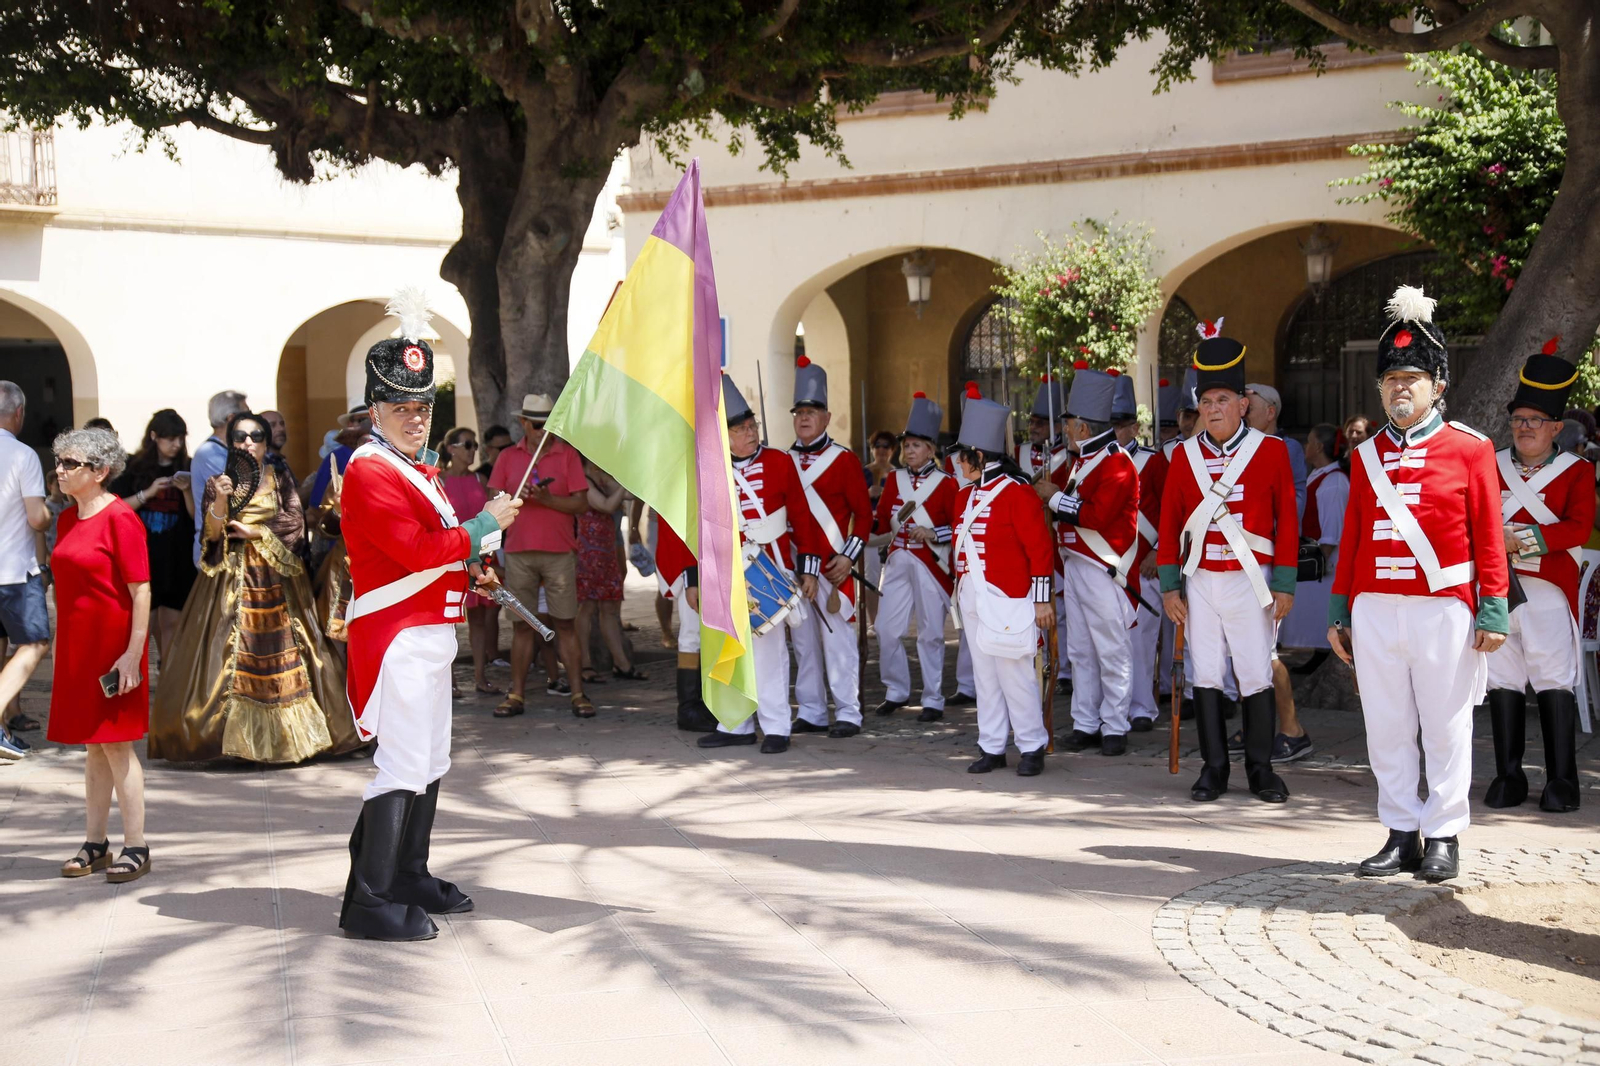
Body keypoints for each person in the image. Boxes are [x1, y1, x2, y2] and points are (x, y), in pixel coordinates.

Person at [338, 292, 521, 941]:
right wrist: (482, 526)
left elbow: (437, 548)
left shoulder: (415, 468)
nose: (415, 419)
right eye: (401, 408)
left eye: (421, 408)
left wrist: (473, 560)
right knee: (403, 763)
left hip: (428, 630)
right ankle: (368, 900)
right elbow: (415, 550)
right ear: (375, 411)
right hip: (397, 633)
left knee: (431, 758)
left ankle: (407, 874)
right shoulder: (371, 470)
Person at [1327, 285, 1508, 882]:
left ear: (1438, 386)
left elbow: (1488, 535)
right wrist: (1339, 610)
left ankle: (1444, 835)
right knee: (1386, 726)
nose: (1399, 388)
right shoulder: (1367, 456)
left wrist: (1494, 608)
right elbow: (1353, 536)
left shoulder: (1471, 449)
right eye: (1390, 380)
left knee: (1446, 726)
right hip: (1375, 609)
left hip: (1442, 607)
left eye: (1411, 378)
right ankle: (1401, 831)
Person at [149, 411, 358, 764]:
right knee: (226, 654)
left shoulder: (280, 478)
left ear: (265, 442)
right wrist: (220, 501)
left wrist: (255, 532)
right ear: (231, 442)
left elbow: (294, 523)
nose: (248, 443)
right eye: (240, 437)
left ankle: (294, 738)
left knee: (292, 653)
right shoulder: (218, 481)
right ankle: (227, 741)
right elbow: (210, 536)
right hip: (231, 578)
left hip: (278, 578)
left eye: (256, 436)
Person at [1158, 321, 1298, 805]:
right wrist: (1170, 585)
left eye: (1223, 400)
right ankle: (1213, 768)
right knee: (1206, 674)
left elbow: (1288, 522)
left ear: (1243, 405)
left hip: (1250, 580)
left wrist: (1285, 583)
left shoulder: (1271, 452)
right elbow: (1170, 524)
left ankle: (1261, 769)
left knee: (1256, 672)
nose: (1214, 409)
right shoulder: (1183, 457)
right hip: (1200, 579)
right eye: (1207, 401)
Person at [1484, 339, 1593, 813]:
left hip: (1548, 592)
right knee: (1502, 678)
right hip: (1498, 589)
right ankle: (1508, 777)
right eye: (1518, 419)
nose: (1524, 428)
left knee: (1552, 680)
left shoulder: (1577, 472)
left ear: (1556, 427)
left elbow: (1578, 527)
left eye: (1534, 420)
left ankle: (1562, 782)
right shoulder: (1490, 463)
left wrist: (1518, 541)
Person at [47, 428, 153, 883]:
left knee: (117, 745)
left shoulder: (121, 519)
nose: (60, 470)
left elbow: (141, 590)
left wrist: (133, 653)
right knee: (93, 746)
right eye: (59, 461)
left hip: (114, 648)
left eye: (70, 463)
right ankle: (96, 843)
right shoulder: (67, 519)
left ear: (100, 471)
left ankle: (137, 845)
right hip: (78, 646)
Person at [697, 375, 823, 753]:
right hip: (727, 572)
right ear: (725, 435)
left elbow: (802, 517)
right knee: (729, 649)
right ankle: (734, 724)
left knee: (770, 654)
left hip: (771, 567)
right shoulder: (712, 469)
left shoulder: (780, 462)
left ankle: (776, 726)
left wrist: (809, 569)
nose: (751, 433)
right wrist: (693, 578)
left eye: (753, 426)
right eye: (741, 429)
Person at [951, 384, 1055, 776]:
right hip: (971, 595)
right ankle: (992, 745)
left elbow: (1040, 551)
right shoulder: (964, 497)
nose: (958, 463)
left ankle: (1032, 746)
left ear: (978, 455)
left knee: (1016, 675)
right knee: (985, 676)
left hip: (1009, 597)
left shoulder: (1017, 493)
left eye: (962, 456)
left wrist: (1041, 601)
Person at [1039, 365, 1141, 755]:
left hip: (1103, 566)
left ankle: (1115, 725)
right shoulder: (1082, 460)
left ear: (1083, 427)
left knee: (1111, 649)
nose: (1065, 430)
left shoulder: (1116, 462)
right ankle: (1085, 722)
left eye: (1069, 424)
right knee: (1080, 649)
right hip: (1077, 565)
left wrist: (1051, 497)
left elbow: (1096, 516)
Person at [488, 394, 593, 718]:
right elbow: (493, 502)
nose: (543, 431)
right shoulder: (508, 457)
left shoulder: (567, 455)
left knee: (565, 624)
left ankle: (578, 694)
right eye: (536, 425)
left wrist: (547, 500)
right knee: (522, 626)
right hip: (518, 552)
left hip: (559, 552)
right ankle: (516, 694)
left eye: (548, 425)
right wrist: (512, 498)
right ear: (523, 424)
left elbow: (581, 504)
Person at [786, 356, 872, 738]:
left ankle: (849, 712)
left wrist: (847, 558)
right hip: (794, 563)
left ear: (827, 417)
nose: (804, 418)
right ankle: (811, 711)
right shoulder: (783, 461)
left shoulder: (845, 460)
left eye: (811, 412)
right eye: (799, 412)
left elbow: (864, 517)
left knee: (838, 641)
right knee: (802, 641)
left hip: (833, 565)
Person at [871, 393, 955, 722]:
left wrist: (933, 533)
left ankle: (933, 697)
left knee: (931, 633)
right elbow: (882, 521)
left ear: (930, 450)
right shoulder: (894, 479)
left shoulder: (946, 484)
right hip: (897, 559)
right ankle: (896, 690)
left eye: (916, 445)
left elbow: (958, 526)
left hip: (931, 564)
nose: (908, 451)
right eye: (906, 446)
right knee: (885, 628)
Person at [1274, 422, 1348, 761]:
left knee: (1316, 617)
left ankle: (1323, 652)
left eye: (1311, 441)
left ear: (1318, 446)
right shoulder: (1321, 476)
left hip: (1323, 566)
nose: (1306, 447)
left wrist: (1322, 559)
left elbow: (1332, 527)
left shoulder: (1334, 482)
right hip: (1314, 560)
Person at [110, 409, 196, 667]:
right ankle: (134, 675)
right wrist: (148, 493)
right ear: (154, 436)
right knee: (142, 622)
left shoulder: (188, 467)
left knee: (173, 622)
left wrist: (186, 491)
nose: (176, 444)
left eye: (180, 438)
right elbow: (116, 509)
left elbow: (195, 516)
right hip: (142, 557)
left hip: (178, 557)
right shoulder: (133, 468)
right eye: (170, 438)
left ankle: (167, 679)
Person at [0, 382, 53, 762]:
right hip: (14, 569)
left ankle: (3, 730)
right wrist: (50, 514)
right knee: (35, 643)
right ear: (19, 413)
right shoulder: (22, 454)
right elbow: (37, 518)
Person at [1114, 372, 1166, 732]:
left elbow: (1174, 511)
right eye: (1110, 424)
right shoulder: (1097, 462)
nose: (1115, 431)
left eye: (1120, 425)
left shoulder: (1155, 461)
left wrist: (1159, 551)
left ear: (1134, 427)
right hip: (1110, 564)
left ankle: (1142, 707)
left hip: (1145, 565)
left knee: (1143, 640)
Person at [440, 426, 500, 696]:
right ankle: (449, 681)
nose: (473, 450)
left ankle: (479, 677)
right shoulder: (439, 481)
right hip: (450, 555)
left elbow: (490, 520)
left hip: (479, 556)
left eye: (475, 445)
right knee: (448, 620)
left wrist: (490, 555)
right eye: (468, 445)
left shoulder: (479, 479)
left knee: (478, 618)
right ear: (451, 449)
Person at [576, 458, 645, 684]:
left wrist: (624, 479)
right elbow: (606, 505)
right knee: (587, 607)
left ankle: (621, 663)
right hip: (588, 553)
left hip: (606, 551)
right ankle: (584, 663)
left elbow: (632, 494)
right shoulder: (583, 480)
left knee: (609, 608)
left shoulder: (602, 478)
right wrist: (622, 487)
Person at [189, 390, 248, 566]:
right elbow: (240, 495)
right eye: (247, 415)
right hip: (215, 553)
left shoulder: (228, 450)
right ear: (232, 418)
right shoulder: (209, 454)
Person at [1245, 384, 1307, 519]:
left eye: (1248, 409)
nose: (1242, 414)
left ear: (1270, 413)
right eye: (1240, 408)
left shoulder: (1288, 448)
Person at [864, 429, 899, 624]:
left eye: (886, 446)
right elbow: (851, 501)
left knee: (893, 580)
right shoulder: (863, 473)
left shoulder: (899, 475)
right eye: (877, 446)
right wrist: (867, 494)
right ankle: (874, 622)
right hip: (869, 533)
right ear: (872, 449)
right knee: (870, 579)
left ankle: (889, 621)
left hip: (892, 532)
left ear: (893, 450)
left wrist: (885, 493)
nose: (882, 450)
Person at [1016, 378, 1069, 481]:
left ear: (1057, 427)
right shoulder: (1018, 452)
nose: (1032, 427)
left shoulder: (1068, 457)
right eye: (1031, 422)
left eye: (1040, 423)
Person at [258, 409, 296, 490]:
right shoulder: (262, 464)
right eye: (272, 425)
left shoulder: (279, 461)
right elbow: (285, 496)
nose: (281, 429)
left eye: (282, 424)